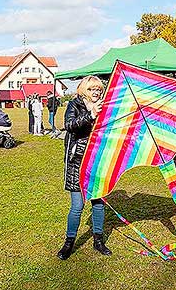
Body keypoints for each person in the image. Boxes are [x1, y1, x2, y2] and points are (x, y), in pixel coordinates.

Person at [57, 76, 111, 260]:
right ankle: (68, 243)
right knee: (77, 205)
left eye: (98, 89)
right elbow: (69, 125)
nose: (96, 92)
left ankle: (98, 240)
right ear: (83, 90)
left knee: (98, 203)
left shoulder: (105, 106)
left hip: (97, 160)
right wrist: (90, 115)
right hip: (77, 161)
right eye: (92, 89)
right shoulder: (74, 105)